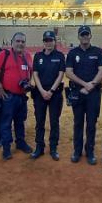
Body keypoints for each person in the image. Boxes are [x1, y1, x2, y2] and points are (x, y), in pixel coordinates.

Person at [0, 32, 33, 160]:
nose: (20, 44)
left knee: (20, 121)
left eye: (23, 42)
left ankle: (20, 142)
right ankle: (6, 148)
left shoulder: (28, 55)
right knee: (6, 122)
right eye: (18, 41)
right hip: (8, 96)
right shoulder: (5, 54)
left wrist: (29, 83)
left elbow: (31, 71)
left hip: (22, 96)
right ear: (12, 42)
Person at [65, 25, 102, 165]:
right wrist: (84, 84)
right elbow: (69, 72)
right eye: (82, 35)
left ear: (90, 36)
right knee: (78, 123)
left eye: (86, 34)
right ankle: (77, 151)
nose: (84, 37)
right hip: (77, 92)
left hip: (93, 93)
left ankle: (90, 152)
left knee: (91, 124)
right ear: (78, 37)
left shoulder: (98, 52)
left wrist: (91, 85)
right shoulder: (72, 53)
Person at [31, 31, 66, 161]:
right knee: (39, 122)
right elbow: (35, 74)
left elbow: (60, 74)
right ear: (43, 42)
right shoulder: (38, 56)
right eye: (46, 40)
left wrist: (51, 91)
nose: (48, 42)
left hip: (55, 94)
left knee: (54, 122)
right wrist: (41, 91)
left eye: (50, 40)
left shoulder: (60, 55)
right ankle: (39, 147)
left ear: (54, 41)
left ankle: (53, 148)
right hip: (40, 94)